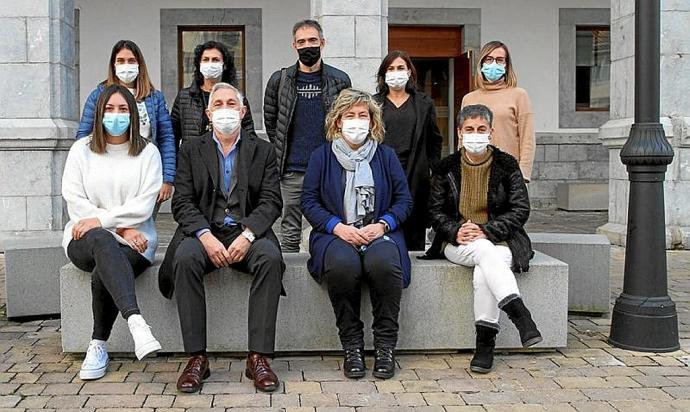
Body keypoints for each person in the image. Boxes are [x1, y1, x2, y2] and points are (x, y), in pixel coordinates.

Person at [159, 83, 284, 393]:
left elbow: (271, 201)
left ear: (242, 112)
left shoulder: (264, 151)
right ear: (208, 112)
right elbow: (182, 202)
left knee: (270, 257)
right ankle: (197, 358)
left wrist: (249, 234)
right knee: (185, 257)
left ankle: (258, 357)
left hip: (247, 232)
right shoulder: (190, 149)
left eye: (232, 103)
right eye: (219, 104)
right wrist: (205, 236)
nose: (225, 109)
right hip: (205, 231)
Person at [301, 89, 413, 380]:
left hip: (378, 231)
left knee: (384, 264)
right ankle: (352, 345)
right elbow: (309, 201)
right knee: (342, 265)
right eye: (349, 115)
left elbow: (404, 200)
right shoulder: (321, 156)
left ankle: (385, 346)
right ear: (337, 121)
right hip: (335, 232)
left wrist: (384, 224)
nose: (356, 121)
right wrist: (337, 227)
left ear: (372, 121)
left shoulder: (385, 156)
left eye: (363, 115)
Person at [423, 104, 542, 374]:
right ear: (459, 133)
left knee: (483, 271)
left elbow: (520, 209)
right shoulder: (446, 168)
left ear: (490, 132)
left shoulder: (507, 165)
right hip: (457, 243)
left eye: (481, 129)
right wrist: (455, 230)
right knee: (483, 253)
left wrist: (487, 230)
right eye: (469, 129)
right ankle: (519, 313)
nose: (475, 134)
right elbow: (435, 211)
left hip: (502, 241)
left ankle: (484, 347)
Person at [63, 84, 163, 381]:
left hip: (138, 244)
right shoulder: (81, 150)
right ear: (99, 113)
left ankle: (97, 345)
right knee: (103, 240)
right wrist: (120, 227)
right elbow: (76, 203)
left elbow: (144, 206)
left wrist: (104, 221)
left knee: (103, 269)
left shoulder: (148, 153)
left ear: (133, 114)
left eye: (122, 109)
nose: (116, 115)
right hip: (83, 240)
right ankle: (136, 322)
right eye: (109, 109)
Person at [264, 19, 352, 253]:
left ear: (322, 42)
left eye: (312, 40)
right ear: (294, 46)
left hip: (329, 167)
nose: (307, 46)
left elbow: (346, 119)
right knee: (289, 231)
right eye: (301, 42)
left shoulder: (340, 79)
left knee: (331, 223)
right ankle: (291, 279)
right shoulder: (279, 80)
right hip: (292, 169)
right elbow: (272, 123)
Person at [76, 40, 175, 209]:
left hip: (146, 174)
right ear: (113, 65)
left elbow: (166, 138)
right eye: (120, 61)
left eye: (131, 61)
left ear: (139, 64)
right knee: (109, 227)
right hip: (107, 174)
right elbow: (83, 136)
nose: (126, 65)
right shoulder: (98, 95)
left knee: (140, 229)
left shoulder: (154, 98)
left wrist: (167, 178)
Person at [374, 50, 443, 250]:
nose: (396, 73)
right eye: (391, 68)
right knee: (384, 228)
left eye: (400, 68)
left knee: (413, 231)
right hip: (383, 173)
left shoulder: (423, 103)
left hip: (415, 174)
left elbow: (434, 140)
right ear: (384, 74)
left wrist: (432, 171)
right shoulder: (374, 103)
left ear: (410, 72)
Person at [461, 41, 535, 182]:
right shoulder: (469, 99)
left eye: (499, 60)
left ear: (506, 65)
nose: (493, 64)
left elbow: (528, 139)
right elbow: (462, 139)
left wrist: (523, 174)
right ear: (481, 63)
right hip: (475, 173)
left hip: (508, 173)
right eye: (489, 59)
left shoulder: (519, 95)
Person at [171, 40, 257, 147]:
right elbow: (172, 135)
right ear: (199, 64)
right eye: (206, 60)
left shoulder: (237, 98)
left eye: (215, 60)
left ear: (224, 65)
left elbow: (249, 135)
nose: (210, 64)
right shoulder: (184, 97)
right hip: (192, 160)